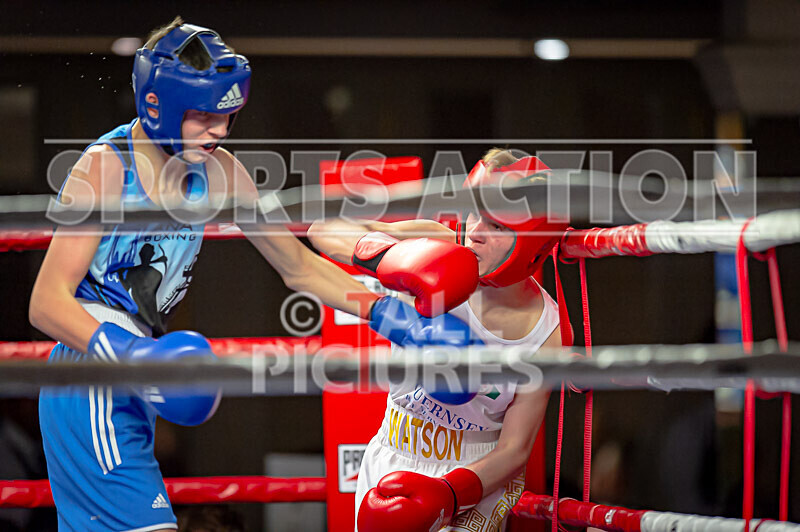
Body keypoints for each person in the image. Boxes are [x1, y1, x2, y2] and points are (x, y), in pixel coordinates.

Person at [30, 17, 472, 532]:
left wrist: (392, 316)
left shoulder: (221, 172)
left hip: (135, 367)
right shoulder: (106, 168)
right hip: (93, 368)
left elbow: (298, 267)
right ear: (156, 105)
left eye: (227, 117)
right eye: (202, 116)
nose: (218, 131)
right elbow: (46, 302)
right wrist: (135, 357)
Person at [308, 148, 568, 531]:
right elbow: (323, 229)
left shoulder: (547, 331)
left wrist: (449, 494)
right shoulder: (437, 245)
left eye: (497, 226)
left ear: (533, 243)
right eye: (475, 213)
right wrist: (394, 257)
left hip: (476, 477)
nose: (475, 232)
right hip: (391, 454)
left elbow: (515, 449)